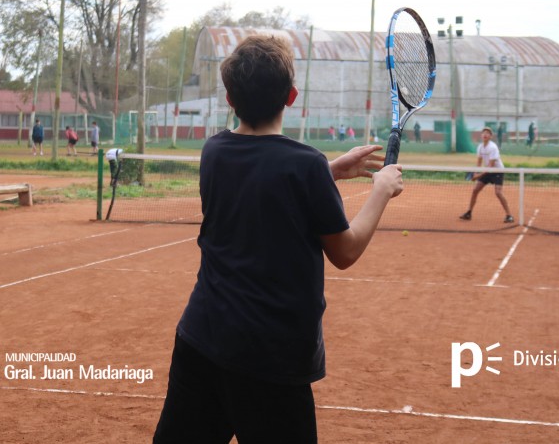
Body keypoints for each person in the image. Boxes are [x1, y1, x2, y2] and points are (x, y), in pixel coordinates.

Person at [152, 34, 403, 443]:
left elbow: (268, 173)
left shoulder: (214, 151)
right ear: (291, 96)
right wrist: (381, 191)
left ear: (230, 99)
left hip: (203, 339)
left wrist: (330, 170)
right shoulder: (305, 167)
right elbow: (346, 250)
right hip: (271, 355)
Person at [459, 127, 514, 224]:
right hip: (487, 171)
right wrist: (476, 173)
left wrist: (478, 176)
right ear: (481, 135)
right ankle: (469, 213)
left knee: (498, 193)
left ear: (491, 137)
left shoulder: (493, 147)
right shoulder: (480, 147)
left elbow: (490, 166)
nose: (485, 134)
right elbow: (479, 161)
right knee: (475, 190)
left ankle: (509, 215)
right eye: (483, 133)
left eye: (488, 133)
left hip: (497, 171)